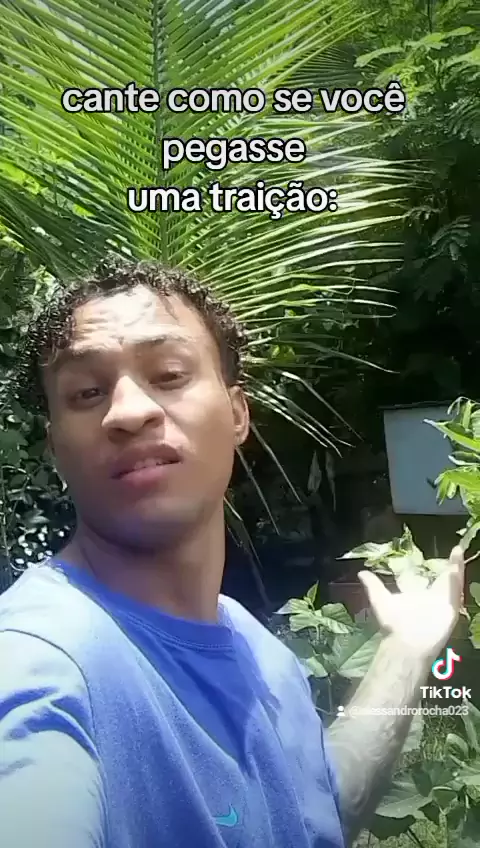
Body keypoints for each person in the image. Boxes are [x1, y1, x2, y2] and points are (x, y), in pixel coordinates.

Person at [0, 258, 464, 848]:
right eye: (87, 392)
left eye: (168, 374)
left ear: (238, 413)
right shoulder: (39, 659)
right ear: (56, 448)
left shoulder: (263, 657)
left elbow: (317, 814)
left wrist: (406, 649)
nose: (128, 411)